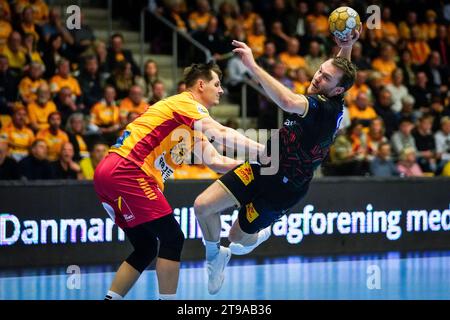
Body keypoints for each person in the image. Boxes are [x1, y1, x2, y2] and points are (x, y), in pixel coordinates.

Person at [193, 28, 361, 295]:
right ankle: (215, 257)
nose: (317, 78)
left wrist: (252, 65)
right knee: (202, 206)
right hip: (264, 163)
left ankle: (258, 235)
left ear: (337, 89)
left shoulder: (324, 109)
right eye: (319, 71)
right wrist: (347, 45)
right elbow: (341, 72)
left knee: (237, 239)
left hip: (284, 189)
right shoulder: (335, 92)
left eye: (325, 78)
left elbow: (286, 100)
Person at [93, 62, 263, 300]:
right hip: (129, 170)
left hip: (108, 173)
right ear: (201, 85)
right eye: (217, 84)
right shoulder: (186, 103)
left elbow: (214, 160)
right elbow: (222, 134)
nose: (221, 90)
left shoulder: (191, 125)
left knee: (145, 248)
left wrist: (255, 167)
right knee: (173, 237)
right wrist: (267, 152)